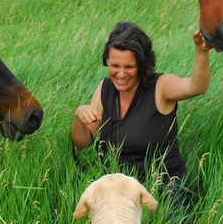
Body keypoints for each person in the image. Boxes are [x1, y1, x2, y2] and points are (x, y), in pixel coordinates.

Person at [71, 21, 211, 186]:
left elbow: (197, 87)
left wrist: (201, 51)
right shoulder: (105, 88)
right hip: (116, 187)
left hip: (163, 186)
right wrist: (79, 117)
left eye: (129, 67)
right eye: (115, 65)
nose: (121, 74)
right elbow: (83, 144)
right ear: (107, 62)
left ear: (143, 65)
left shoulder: (161, 86)